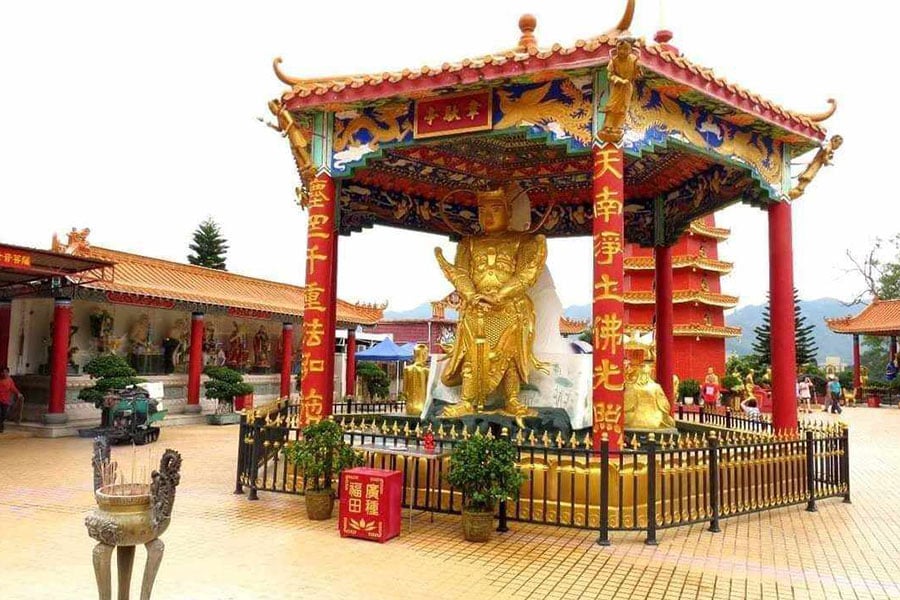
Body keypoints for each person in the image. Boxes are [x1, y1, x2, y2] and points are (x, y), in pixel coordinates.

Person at [0, 367, 24, 433]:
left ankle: (1, 426)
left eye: (6, 372)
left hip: (5, 400)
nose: (4, 374)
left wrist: (18, 393)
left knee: (4, 414)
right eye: (3, 372)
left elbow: (13, 388)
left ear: (8, 373)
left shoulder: (9, 380)